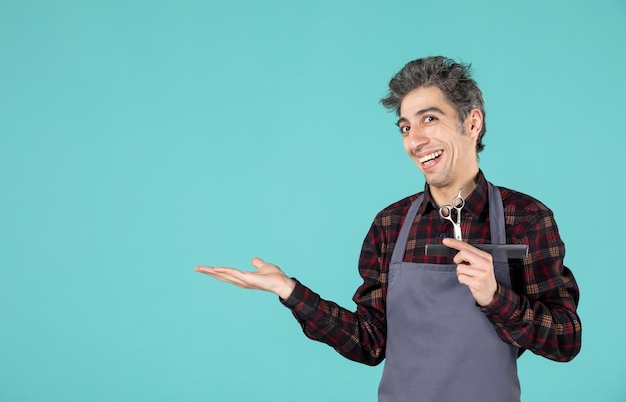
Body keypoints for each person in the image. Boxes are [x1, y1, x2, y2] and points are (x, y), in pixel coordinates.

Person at [195, 56, 582, 402]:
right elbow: (369, 343)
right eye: (404, 127)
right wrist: (289, 290)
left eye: (430, 119)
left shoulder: (526, 219)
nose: (415, 140)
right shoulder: (391, 225)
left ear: (472, 122)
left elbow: (566, 340)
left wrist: (495, 297)